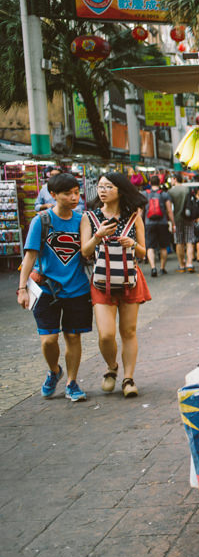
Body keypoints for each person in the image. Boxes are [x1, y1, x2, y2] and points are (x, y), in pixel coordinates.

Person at [16, 172, 92, 402]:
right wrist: (22, 289)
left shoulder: (82, 220)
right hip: (47, 288)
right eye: (68, 193)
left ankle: (72, 382)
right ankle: (54, 371)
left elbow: (87, 251)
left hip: (77, 288)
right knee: (49, 340)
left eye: (76, 193)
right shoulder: (41, 220)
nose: (74, 197)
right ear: (53, 195)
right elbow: (30, 256)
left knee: (73, 337)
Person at [80, 172, 150, 398]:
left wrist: (132, 244)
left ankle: (128, 379)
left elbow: (143, 252)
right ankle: (112, 367)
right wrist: (98, 236)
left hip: (130, 278)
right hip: (102, 282)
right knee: (106, 335)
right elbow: (85, 251)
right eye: (100, 187)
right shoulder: (89, 217)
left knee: (128, 331)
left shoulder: (133, 217)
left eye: (108, 187)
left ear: (120, 190)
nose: (102, 191)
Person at [143, 175, 174, 277]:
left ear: (150, 183)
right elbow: (169, 211)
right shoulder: (164, 195)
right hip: (162, 223)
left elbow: (140, 211)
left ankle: (153, 268)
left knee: (150, 247)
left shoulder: (145, 194)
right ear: (160, 183)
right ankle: (162, 268)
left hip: (149, 223)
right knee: (163, 246)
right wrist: (173, 224)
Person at [168, 172, 196, 272]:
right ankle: (190, 263)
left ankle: (181, 265)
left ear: (175, 179)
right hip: (189, 218)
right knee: (189, 241)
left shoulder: (171, 192)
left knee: (179, 242)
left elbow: (169, 208)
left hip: (177, 219)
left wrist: (171, 222)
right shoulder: (187, 189)